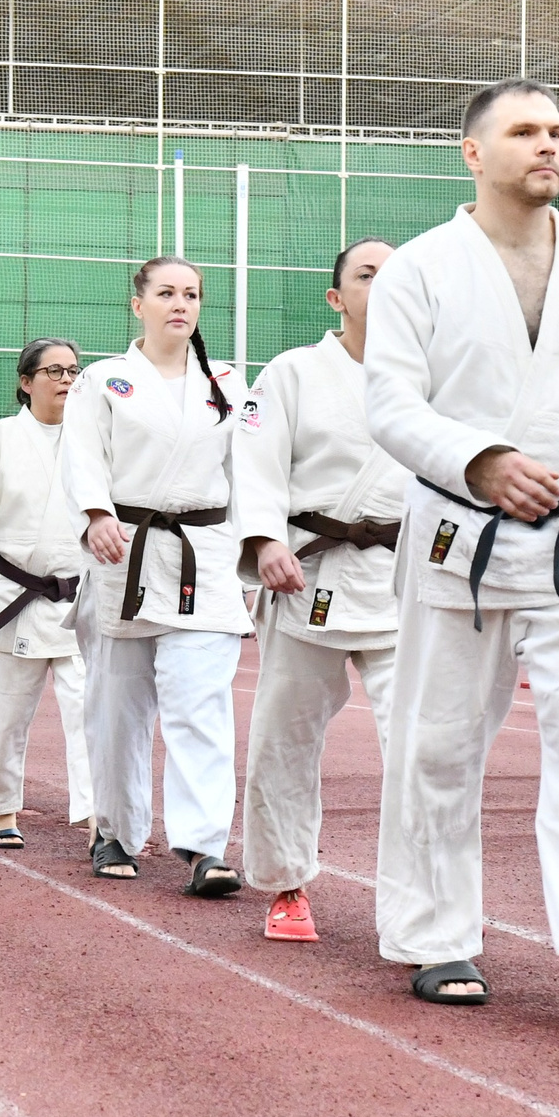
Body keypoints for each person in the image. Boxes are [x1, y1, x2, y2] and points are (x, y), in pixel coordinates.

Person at [364, 77, 559, 1014]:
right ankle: (434, 936)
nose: (548, 146)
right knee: (438, 743)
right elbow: (389, 403)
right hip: (456, 533)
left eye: (557, 132)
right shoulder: (421, 267)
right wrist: (480, 459)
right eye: (524, 132)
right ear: (473, 152)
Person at [234, 238, 406, 943]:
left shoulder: (438, 377)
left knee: (421, 747)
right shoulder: (293, 372)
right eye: (367, 276)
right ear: (337, 297)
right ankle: (286, 882)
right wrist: (265, 539)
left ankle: (419, 898)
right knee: (285, 737)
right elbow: (254, 462)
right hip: (311, 572)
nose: (383, 286)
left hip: (402, 581)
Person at [63, 259, 248, 896]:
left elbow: (247, 471)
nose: (181, 304)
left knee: (200, 704)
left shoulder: (224, 382)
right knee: (118, 707)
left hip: (204, 554)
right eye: (166, 293)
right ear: (136, 305)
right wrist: (95, 515)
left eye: (191, 294)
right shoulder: (105, 380)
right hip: (125, 554)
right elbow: (81, 456)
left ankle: (203, 847)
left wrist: (258, 545)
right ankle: (115, 828)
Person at [0, 339, 93, 841]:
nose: (66, 380)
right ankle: (0, 809)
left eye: (73, 370)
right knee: (0, 709)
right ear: (26, 382)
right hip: (13, 592)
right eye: (54, 371)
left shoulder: (94, 438)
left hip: (79, 596)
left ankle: (101, 820)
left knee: (91, 712)